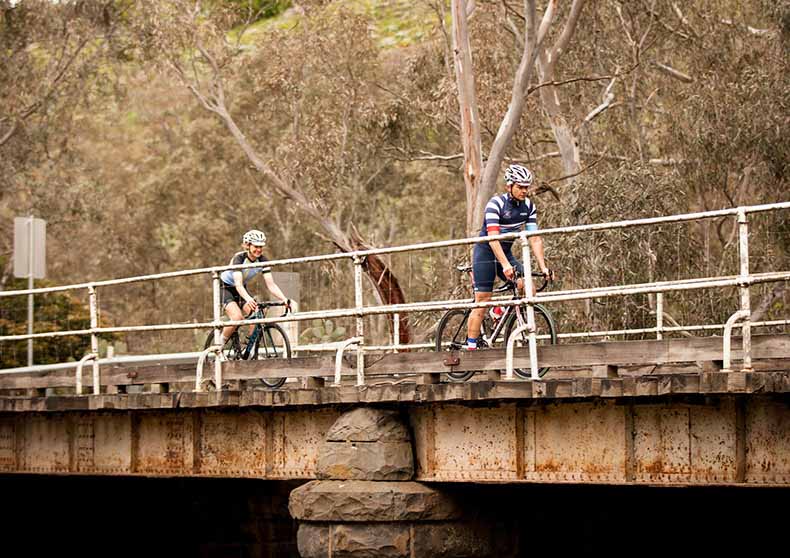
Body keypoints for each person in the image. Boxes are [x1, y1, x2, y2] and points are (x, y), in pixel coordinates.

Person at [466, 164, 553, 350]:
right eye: (520, 187)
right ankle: (470, 348)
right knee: (483, 300)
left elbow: (534, 238)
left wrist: (543, 267)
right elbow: (493, 238)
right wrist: (505, 265)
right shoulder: (495, 204)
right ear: (509, 186)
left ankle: (501, 311)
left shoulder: (528, 206)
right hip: (486, 252)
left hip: (505, 253)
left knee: (528, 286)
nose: (524, 191)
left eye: (526, 187)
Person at [217, 229, 291, 346]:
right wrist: (249, 299)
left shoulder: (263, 260)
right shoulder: (239, 259)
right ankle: (218, 345)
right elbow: (238, 285)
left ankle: (248, 347)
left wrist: (284, 299)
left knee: (257, 313)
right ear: (248, 245)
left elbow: (271, 285)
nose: (259, 250)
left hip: (241, 289)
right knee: (237, 317)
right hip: (226, 287)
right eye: (256, 246)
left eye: (261, 247)